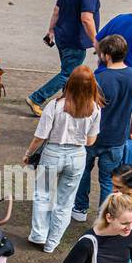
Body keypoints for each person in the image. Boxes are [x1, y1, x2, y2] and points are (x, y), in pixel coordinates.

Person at [23, 65, 103, 253]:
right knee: (65, 201)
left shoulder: (56, 105)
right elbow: (91, 141)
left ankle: (39, 234)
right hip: (77, 155)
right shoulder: (95, 108)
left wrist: (28, 153)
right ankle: (52, 242)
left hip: (53, 152)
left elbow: (40, 136)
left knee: (43, 195)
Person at [73, 35, 132, 222]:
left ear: (106, 55)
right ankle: (103, 213)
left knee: (83, 173)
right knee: (108, 180)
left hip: (91, 137)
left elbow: (85, 108)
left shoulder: (97, 78)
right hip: (117, 139)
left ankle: (80, 208)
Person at [27, 0, 105, 116]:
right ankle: (36, 98)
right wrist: (96, 41)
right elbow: (86, 18)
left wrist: (51, 30)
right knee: (68, 74)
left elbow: (57, 10)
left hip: (62, 37)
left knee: (67, 71)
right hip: (75, 41)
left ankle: (67, 101)